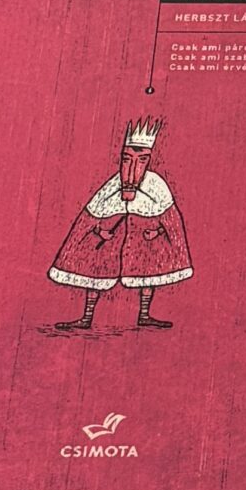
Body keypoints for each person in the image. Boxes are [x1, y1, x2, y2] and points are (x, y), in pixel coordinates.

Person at [47, 116, 192, 330]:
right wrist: (100, 232)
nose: (133, 167)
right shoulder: (112, 186)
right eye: (127, 159)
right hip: (111, 242)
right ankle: (87, 317)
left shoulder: (157, 186)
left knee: (149, 267)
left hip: (143, 241)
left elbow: (171, 223)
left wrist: (156, 232)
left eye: (141, 160)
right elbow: (91, 216)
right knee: (95, 266)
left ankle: (144, 314)